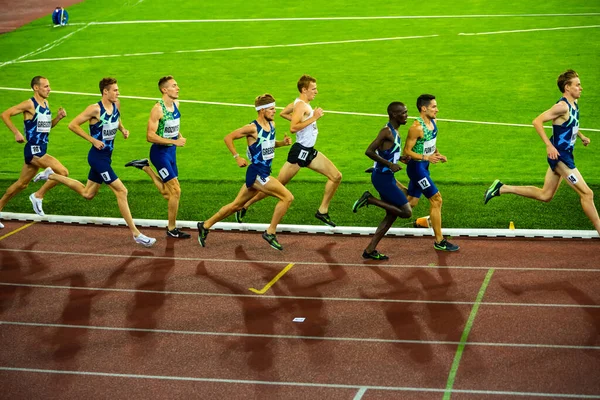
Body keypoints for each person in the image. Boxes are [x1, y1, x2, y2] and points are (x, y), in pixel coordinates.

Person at [33, 77, 156, 247]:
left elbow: (117, 118)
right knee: (121, 191)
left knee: (87, 194)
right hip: (97, 158)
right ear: (105, 92)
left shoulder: (116, 104)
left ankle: (51, 175)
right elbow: (73, 125)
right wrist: (93, 140)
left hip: (107, 156)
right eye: (115, 90)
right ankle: (136, 234)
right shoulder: (94, 109)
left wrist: (122, 129)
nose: (118, 92)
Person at [484, 69, 600, 235]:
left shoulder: (574, 104)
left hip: (566, 154)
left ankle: (501, 188)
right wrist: (549, 145)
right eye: (578, 85)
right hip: (560, 157)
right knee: (587, 193)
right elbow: (537, 121)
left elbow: (570, 124)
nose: (581, 88)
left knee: (545, 195)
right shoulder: (561, 106)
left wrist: (581, 136)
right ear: (567, 87)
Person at [235, 75, 342, 227]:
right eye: (313, 89)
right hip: (299, 152)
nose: (316, 91)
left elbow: (283, 113)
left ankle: (322, 211)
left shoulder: (299, 103)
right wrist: (314, 118)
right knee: (277, 185)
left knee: (336, 176)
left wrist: (303, 120)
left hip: (309, 150)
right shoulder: (301, 106)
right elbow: (293, 128)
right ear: (304, 90)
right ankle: (245, 205)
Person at [197, 94, 293, 250]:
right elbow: (228, 138)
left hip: (264, 171)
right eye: (271, 109)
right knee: (287, 197)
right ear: (262, 110)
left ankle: (205, 225)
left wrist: (282, 143)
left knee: (236, 205)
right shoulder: (252, 128)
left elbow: (267, 144)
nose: (275, 111)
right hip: (257, 173)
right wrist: (237, 157)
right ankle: (270, 232)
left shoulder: (272, 125)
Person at [124, 76, 190, 239]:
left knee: (168, 194)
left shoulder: (176, 104)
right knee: (176, 191)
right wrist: (174, 141)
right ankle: (171, 229)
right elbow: (150, 136)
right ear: (164, 90)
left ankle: (145, 167)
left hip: (171, 152)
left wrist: (178, 136)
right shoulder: (158, 109)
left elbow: (173, 126)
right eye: (174, 86)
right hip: (160, 154)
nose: (178, 88)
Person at [0, 76, 69, 228]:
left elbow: (46, 128)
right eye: (45, 86)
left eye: (49, 86)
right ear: (36, 88)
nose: (49, 89)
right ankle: (38, 195)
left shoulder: (45, 103)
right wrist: (16, 132)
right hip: (33, 149)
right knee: (62, 172)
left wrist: (58, 118)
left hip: (42, 148)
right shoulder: (29, 104)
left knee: (21, 184)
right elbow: (5, 114)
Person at [352, 102, 412, 260]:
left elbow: (387, 152)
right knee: (406, 212)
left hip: (387, 177)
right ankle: (370, 199)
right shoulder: (386, 132)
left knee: (391, 214)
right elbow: (369, 151)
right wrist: (389, 164)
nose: (406, 115)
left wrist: (401, 159)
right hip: (382, 178)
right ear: (394, 114)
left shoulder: (395, 131)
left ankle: (370, 250)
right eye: (403, 113)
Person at [403, 94, 459, 252]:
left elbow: (431, 142)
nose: (437, 109)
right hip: (416, 168)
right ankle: (439, 241)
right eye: (434, 107)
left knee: (411, 203)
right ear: (423, 108)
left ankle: (380, 194)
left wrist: (438, 153)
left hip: (425, 166)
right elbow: (407, 151)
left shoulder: (433, 122)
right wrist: (426, 157)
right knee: (436, 199)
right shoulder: (416, 128)